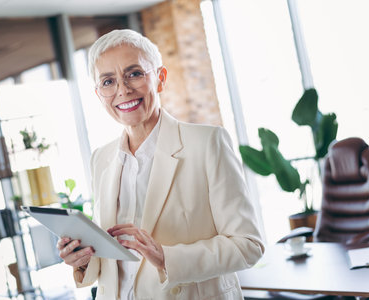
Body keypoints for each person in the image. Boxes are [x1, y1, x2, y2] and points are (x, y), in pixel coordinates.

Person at [57, 29, 264, 300]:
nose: (123, 89)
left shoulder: (206, 143)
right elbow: (113, 258)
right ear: (99, 94)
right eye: (108, 81)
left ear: (160, 78)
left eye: (134, 74)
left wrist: (165, 256)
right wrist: (82, 259)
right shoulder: (102, 158)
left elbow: (247, 246)